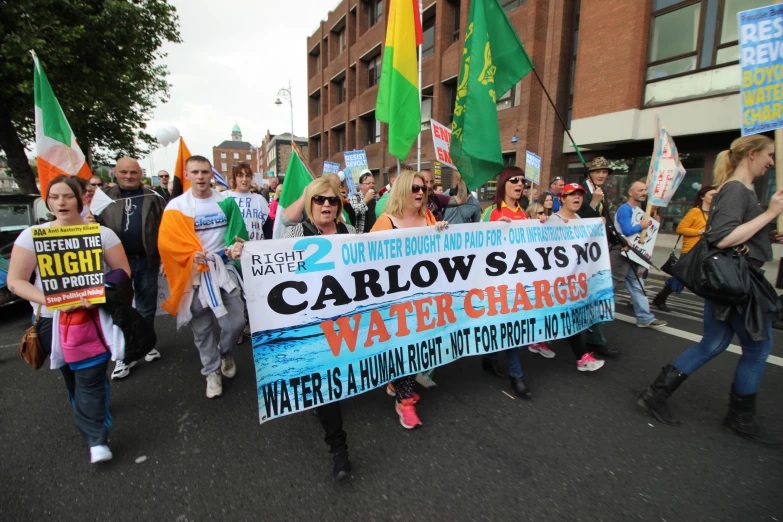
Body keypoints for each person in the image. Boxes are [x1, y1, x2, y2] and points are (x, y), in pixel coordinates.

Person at [638, 134, 783, 446]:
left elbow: (737, 234)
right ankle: (739, 418)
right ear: (754, 154)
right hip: (737, 282)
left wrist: (766, 232)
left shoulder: (740, 189)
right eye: (770, 155)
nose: (772, 162)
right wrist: (770, 214)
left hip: (734, 280)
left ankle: (655, 395)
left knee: (714, 343)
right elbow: (721, 237)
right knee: (757, 349)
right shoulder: (735, 190)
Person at [7, 176, 130, 464]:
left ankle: (96, 438)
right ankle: (92, 411)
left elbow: (122, 274)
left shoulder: (102, 235)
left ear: (81, 198)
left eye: (67, 196)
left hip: (93, 318)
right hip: (53, 321)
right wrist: (52, 300)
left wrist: (101, 292)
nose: (61, 202)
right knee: (72, 376)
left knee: (90, 377)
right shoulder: (31, 236)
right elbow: (15, 281)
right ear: (47, 201)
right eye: (54, 197)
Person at [283, 176, 356, 480]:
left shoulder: (351, 232)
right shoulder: (294, 233)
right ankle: (339, 450)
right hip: (310, 322)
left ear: (340, 205)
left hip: (345, 319)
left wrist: (436, 234)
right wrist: (243, 254)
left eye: (333, 200)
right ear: (310, 202)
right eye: (319, 199)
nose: (326, 205)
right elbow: (270, 263)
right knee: (326, 383)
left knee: (336, 378)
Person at [157, 155, 248, 399]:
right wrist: (188, 255)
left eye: (205, 172)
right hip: (194, 276)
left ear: (211, 175)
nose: (200, 177)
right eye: (195, 172)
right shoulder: (176, 207)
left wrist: (236, 248)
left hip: (223, 270)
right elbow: (167, 244)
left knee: (236, 321)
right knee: (202, 327)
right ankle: (211, 372)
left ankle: (226, 354)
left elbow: (239, 236)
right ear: (187, 175)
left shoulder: (226, 202)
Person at [370, 169, 448, 428]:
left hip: (425, 298)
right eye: (414, 188)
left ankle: (398, 380)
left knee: (420, 344)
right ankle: (405, 402)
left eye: (423, 188)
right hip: (396, 301)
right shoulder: (386, 221)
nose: (420, 192)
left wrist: (441, 232)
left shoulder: (428, 217)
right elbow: (365, 260)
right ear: (402, 191)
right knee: (408, 345)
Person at [96, 157, 167, 380]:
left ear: (141, 174)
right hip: (115, 264)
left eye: (133, 172)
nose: (128, 176)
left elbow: (165, 228)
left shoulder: (153, 197)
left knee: (146, 306)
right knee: (119, 309)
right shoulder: (102, 199)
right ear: (115, 174)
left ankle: (145, 344)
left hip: (146, 260)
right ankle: (123, 355)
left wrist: (165, 256)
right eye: (124, 172)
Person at [482, 167, 535, 397]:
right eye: (514, 179)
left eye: (523, 181)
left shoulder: (525, 215)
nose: (519, 184)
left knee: (505, 325)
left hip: (519, 282)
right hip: (497, 283)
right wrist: (493, 230)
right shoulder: (491, 212)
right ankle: (517, 376)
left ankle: (490, 357)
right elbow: (474, 244)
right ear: (503, 183)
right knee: (510, 327)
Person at [549, 183, 607, 372]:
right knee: (569, 316)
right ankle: (582, 358)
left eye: (580, 195)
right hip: (558, 281)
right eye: (571, 195)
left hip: (577, 280)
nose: (577, 198)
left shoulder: (580, 218)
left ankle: (538, 342)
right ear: (562, 199)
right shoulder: (553, 220)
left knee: (564, 316)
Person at [652, 185, 716, 312]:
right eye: (712, 194)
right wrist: (699, 232)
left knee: (697, 277)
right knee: (682, 277)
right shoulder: (695, 211)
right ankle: (660, 298)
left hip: (706, 250)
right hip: (691, 251)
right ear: (702, 197)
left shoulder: (715, 213)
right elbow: (680, 228)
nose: (715, 197)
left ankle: (660, 298)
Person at [613, 180, 667, 328]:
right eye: (641, 190)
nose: (644, 193)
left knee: (637, 285)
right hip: (621, 254)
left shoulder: (639, 211)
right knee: (609, 286)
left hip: (632, 255)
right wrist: (642, 225)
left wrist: (653, 224)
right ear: (630, 193)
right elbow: (626, 231)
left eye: (645, 190)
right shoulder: (625, 210)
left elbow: (642, 234)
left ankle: (645, 318)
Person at [225, 163, 269, 242]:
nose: (244, 179)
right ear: (235, 178)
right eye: (240, 176)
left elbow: (267, 228)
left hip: (255, 249)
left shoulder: (260, 199)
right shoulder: (225, 197)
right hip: (232, 250)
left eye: (247, 176)